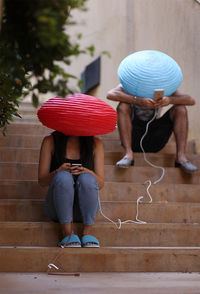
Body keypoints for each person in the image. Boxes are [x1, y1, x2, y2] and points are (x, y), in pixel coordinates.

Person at [106, 84, 198, 173]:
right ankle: (128, 155)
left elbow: (191, 100)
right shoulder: (131, 82)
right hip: (134, 135)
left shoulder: (163, 84)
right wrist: (137, 100)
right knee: (123, 106)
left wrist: (170, 100)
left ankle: (181, 158)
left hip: (155, 136)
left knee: (180, 109)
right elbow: (110, 94)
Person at [38, 131, 104, 248]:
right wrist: (58, 171)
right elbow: (42, 181)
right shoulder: (50, 141)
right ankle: (67, 233)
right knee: (63, 177)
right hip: (57, 209)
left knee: (87, 178)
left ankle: (87, 232)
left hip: (84, 210)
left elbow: (100, 183)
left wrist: (88, 172)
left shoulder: (95, 143)